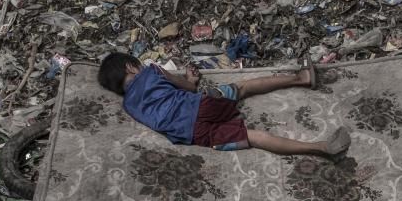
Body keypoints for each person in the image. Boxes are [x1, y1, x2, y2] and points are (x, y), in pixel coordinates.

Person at [97, 53, 351, 156]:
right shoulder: (151, 72)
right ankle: (302, 77)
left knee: (252, 137)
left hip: (194, 134)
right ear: (131, 66)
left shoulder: (128, 107)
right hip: (203, 106)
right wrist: (190, 78)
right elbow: (187, 87)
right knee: (241, 88)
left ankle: (321, 147)